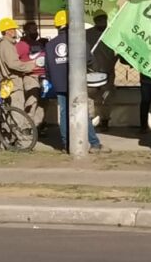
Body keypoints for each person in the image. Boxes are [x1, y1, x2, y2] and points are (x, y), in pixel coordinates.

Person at [45, 10, 106, 154]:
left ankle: (66, 144)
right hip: (77, 84)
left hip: (59, 85)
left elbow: (47, 68)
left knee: (64, 114)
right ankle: (94, 143)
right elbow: (90, 61)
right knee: (82, 113)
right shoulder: (78, 41)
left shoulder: (49, 45)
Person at [0, 17, 39, 118]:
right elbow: (13, 64)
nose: (15, 31)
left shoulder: (6, 45)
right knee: (17, 111)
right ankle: (18, 133)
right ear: (7, 31)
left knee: (13, 110)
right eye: (13, 29)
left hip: (10, 81)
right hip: (13, 82)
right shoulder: (6, 45)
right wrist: (31, 65)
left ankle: (12, 131)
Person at [86, 11, 116, 131]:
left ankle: (105, 120)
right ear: (95, 21)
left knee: (106, 96)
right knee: (89, 96)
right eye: (99, 20)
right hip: (91, 71)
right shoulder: (86, 34)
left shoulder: (112, 33)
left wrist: (115, 60)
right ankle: (89, 118)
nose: (102, 22)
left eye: (103, 19)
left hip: (107, 71)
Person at [16, 21, 46, 128]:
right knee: (32, 101)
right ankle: (28, 126)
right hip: (30, 75)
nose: (36, 32)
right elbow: (17, 62)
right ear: (26, 31)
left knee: (42, 102)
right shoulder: (20, 45)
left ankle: (38, 125)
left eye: (36, 29)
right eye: (33, 30)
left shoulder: (38, 44)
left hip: (42, 76)